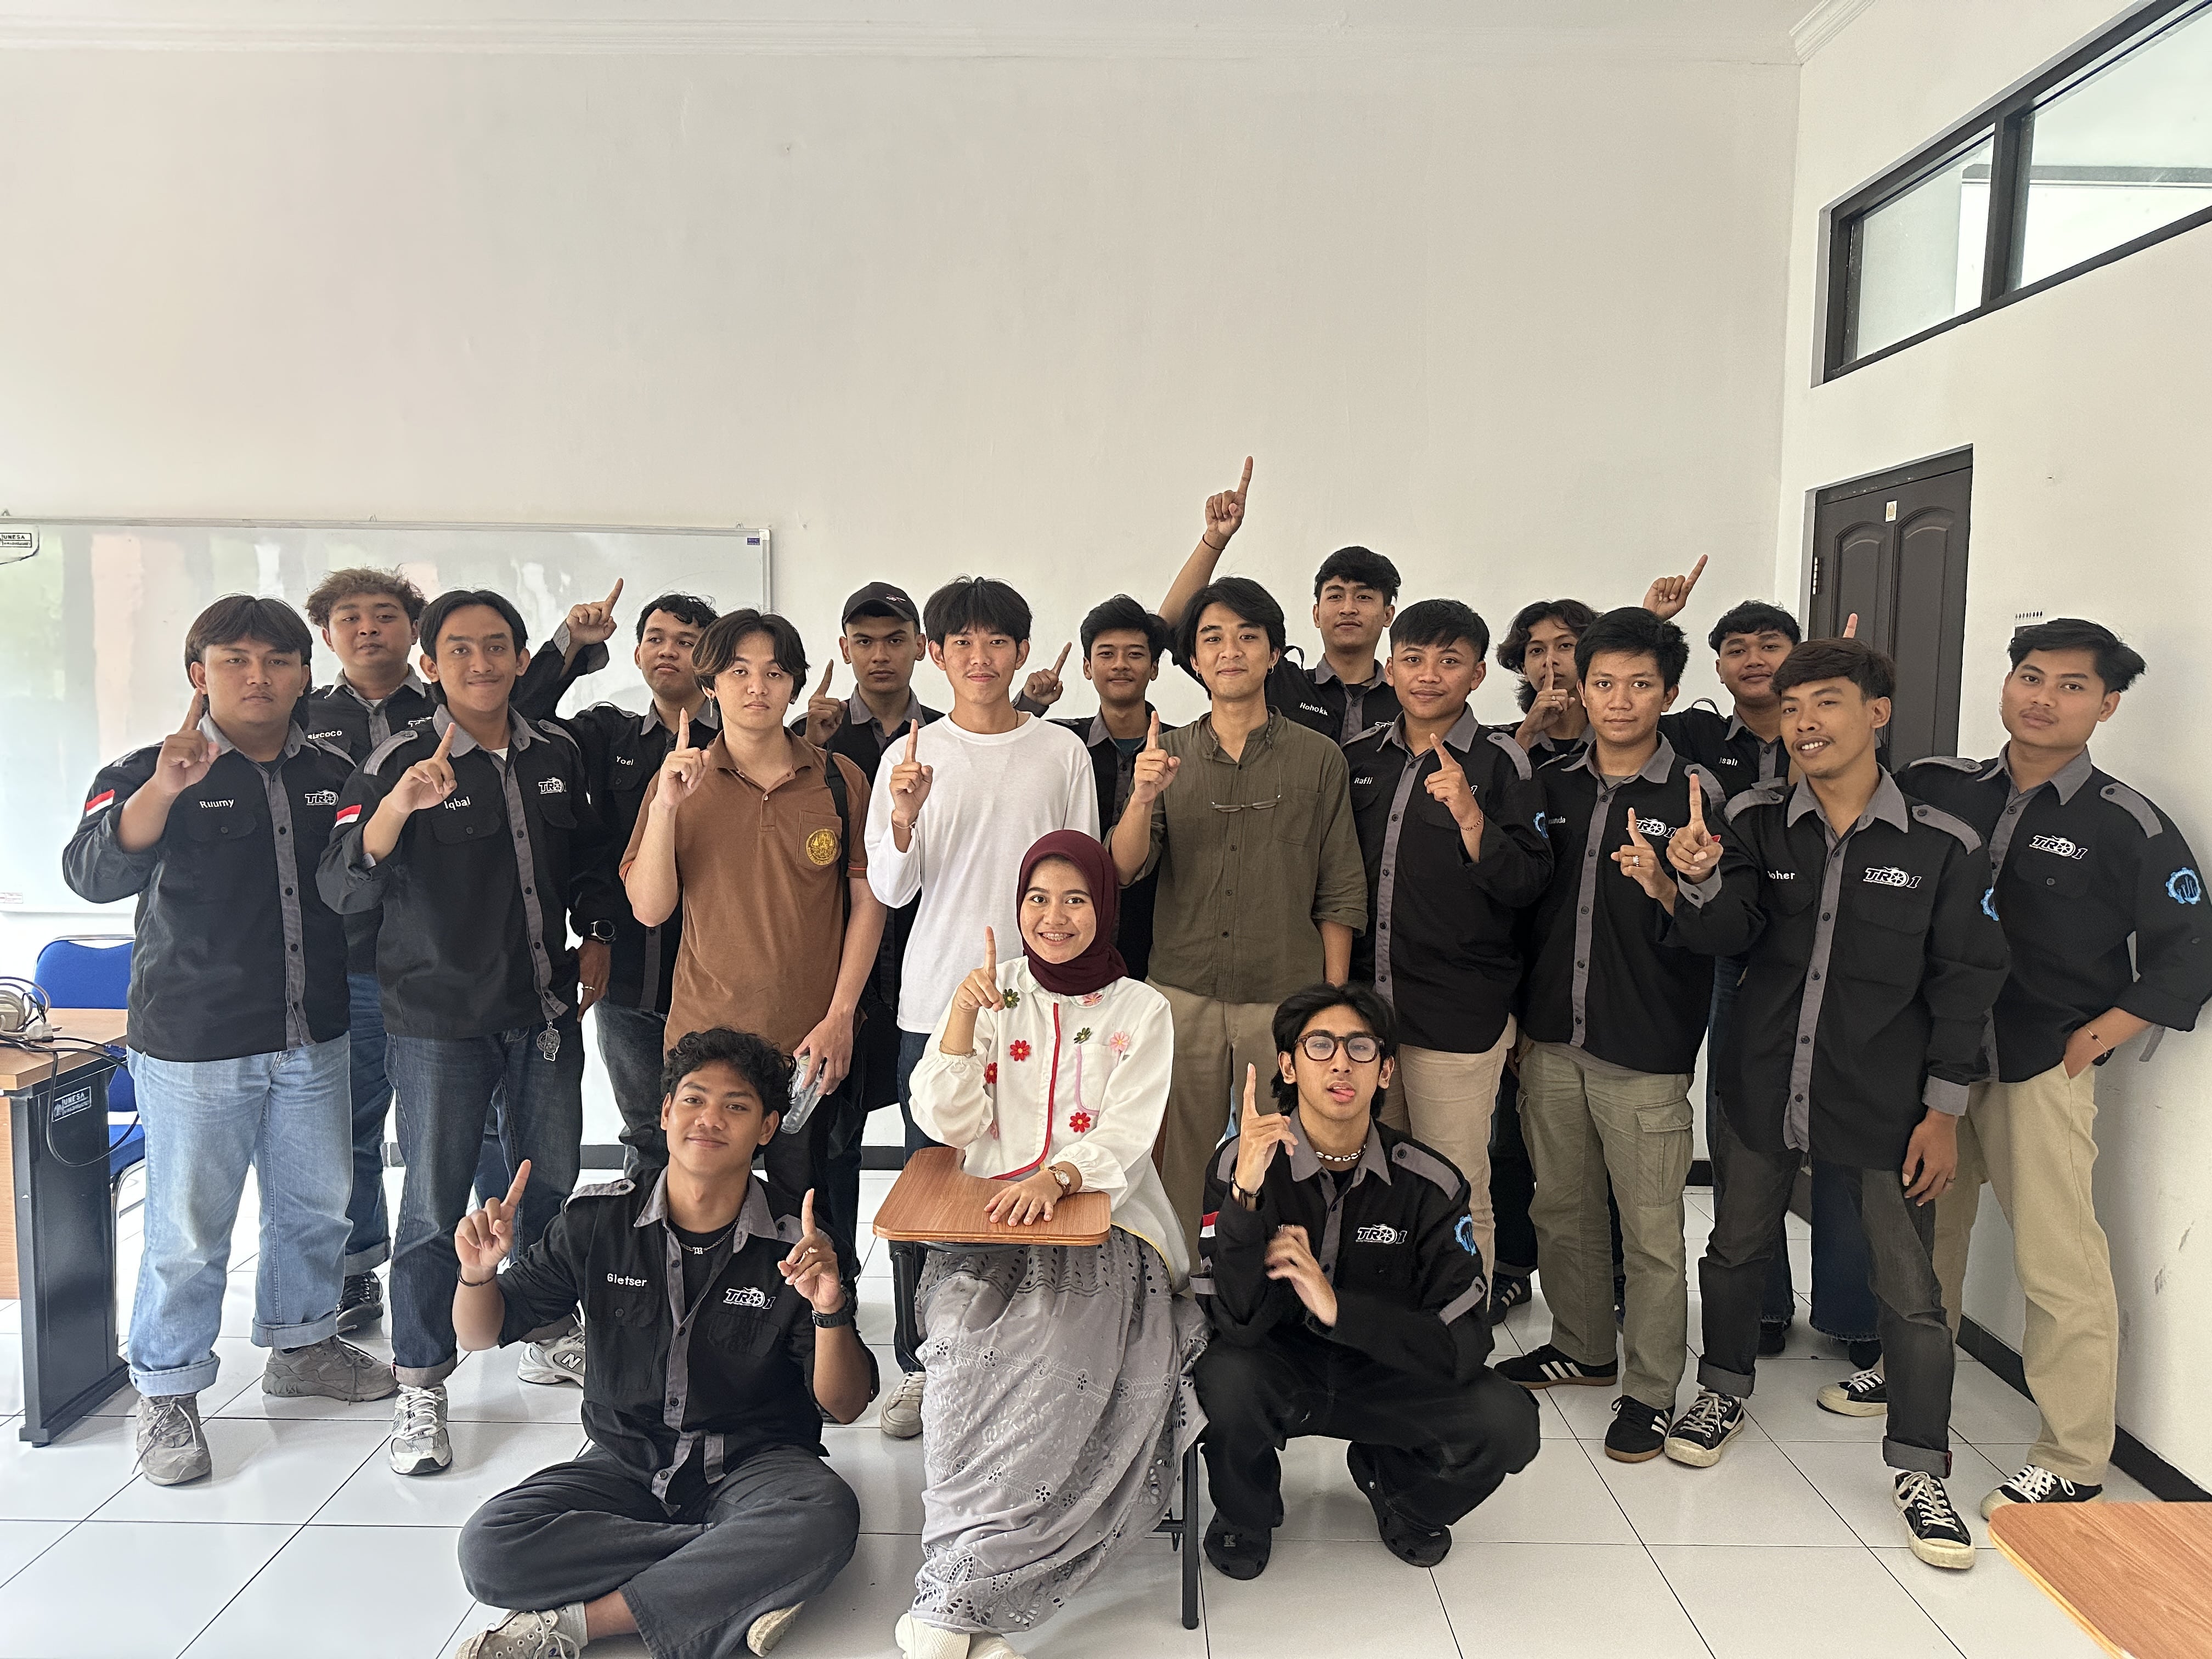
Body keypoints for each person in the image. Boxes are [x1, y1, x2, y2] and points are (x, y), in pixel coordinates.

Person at [1662, 637, 2008, 1571]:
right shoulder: (1753, 819)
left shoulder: (1942, 842)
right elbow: (1726, 934)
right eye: (1791, 707)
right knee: (1735, 1247)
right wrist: (1698, 875)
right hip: (1763, 1078)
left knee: (1912, 1291)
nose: (1804, 723)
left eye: (1825, 702)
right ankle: (1722, 1388)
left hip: (1886, 1096)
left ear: (1876, 714)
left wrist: (1943, 1110)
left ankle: (1920, 1465)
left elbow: (1967, 981)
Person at [65, 596, 394, 1486]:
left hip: (313, 1028)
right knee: (188, 1227)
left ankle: (302, 1346)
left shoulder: (332, 769)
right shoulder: (144, 768)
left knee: (317, 1206)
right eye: (235, 659)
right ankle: (168, 1388)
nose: (259, 676)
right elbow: (91, 872)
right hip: (196, 1041)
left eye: (278, 660)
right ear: (197, 673)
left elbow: (358, 882)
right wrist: (165, 788)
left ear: (304, 673)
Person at [1906, 619, 2212, 1514]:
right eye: (2031, 676)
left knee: (2056, 1260)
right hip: (1936, 1056)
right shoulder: (1939, 786)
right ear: (2007, 684)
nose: (2043, 698)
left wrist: (2101, 1032)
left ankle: (2073, 1456)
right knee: (1926, 1236)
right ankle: (1911, 1381)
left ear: (2106, 705)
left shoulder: (2126, 822)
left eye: (2071, 686)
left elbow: (2190, 947)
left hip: (2040, 1061)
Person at [449, 1028, 872, 1659]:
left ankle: (583, 1623)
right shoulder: (596, 1221)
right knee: (490, 1548)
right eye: (694, 1100)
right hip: (624, 1461)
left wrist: (830, 1309)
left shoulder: (798, 1244)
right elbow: (479, 1332)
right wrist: (477, 1273)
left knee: (824, 1513)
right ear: (667, 1112)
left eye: (736, 1106)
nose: (710, 1119)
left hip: (753, 1465)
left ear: (767, 1128)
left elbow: (846, 1404)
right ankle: (742, 1571)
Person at [319, 587, 618, 1477]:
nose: (481, 663)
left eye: (496, 647)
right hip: (439, 1023)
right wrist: (399, 807)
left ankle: (541, 1325)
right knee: (433, 1203)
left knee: (547, 1180)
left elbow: (589, 859)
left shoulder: (555, 749)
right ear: (430, 665)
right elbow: (342, 884)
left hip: (543, 1009)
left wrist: (599, 930)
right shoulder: (398, 758)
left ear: (523, 659)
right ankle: (421, 1379)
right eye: (460, 649)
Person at [896, 832, 1204, 1659]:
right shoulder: (993, 992)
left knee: (1059, 1350)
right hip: (986, 1224)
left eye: (1075, 899)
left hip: (1108, 1223)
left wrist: (1060, 1177)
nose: (1054, 917)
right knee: (959, 1350)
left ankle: (959, 1598)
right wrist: (961, 1020)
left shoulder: (1141, 1009)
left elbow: (1129, 1133)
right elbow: (949, 1124)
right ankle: (973, 1597)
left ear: (1104, 906)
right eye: (1038, 898)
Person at [1193, 983, 1540, 1578]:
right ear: (1288, 1066)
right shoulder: (1240, 1166)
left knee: (1507, 1422)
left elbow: (1465, 1345)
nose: (1340, 1063)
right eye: (1320, 1046)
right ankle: (1246, 1512)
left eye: (1360, 1048)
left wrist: (1338, 1309)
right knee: (1225, 1379)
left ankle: (1400, 1491)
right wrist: (1246, 1197)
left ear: (1384, 1072)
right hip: (1280, 1367)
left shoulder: (1431, 1184)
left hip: (1387, 1368)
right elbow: (1233, 1321)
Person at [863, 576, 1098, 1436]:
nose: (979, 656)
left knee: (1034, 1181)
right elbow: (891, 888)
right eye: (960, 642)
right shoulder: (912, 754)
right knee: (931, 1191)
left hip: (1042, 1006)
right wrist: (903, 816)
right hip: (938, 1004)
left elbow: (1085, 878)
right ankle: (922, 1365)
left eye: (996, 640)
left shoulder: (1060, 752)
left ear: (1022, 651)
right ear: (935, 654)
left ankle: (1029, 1359)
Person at [1496, 607, 1722, 1465]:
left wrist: (1674, 884)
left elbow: (1726, 927)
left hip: (1645, 1047)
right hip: (1553, 1038)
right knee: (1561, 1207)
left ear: (1670, 693)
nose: (1620, 700)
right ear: (1580, 691)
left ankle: (1652, 1390)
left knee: (1651, 1229)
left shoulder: (1696, 796)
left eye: (1640, 684)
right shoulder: (1550, 784)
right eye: (1604, 684)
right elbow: (1522, 908)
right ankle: (1584, 1349)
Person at [624, 608, 886, 1284]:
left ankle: (823, 1332)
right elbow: (650, 908)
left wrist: (841, 1016)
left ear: (794, 684)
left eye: (773, 673)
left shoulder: (839, 779)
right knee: (702, 1209)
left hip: (809, 1047)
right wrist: (666, 808)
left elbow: (868, 903)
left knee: (813, 1213)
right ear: (711, 683)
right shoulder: (680, 781)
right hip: (705, 1042)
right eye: (738, 671)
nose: (756, 687)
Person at [1113, 574, 1368, 1258]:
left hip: (1284, 996)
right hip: (1183, 993)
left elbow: (1341, 886)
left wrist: (1331, 1003)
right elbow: (1124, 868)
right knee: (1178, 1154)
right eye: (1213, 638)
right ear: (1195, 660)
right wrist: (1142, 797)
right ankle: (1177, 1280)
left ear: (1274, 653)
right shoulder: (1165, 755)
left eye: (1248, 637)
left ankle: (1277, 1281)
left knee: (1286, 1152)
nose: (1231, 651)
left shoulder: (1318, 758)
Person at [1344, 598, 1551, 1277]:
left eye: (1449, 661)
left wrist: (1471, 819)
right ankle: (1391, 1320)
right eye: (1413, 659)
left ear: (1478, 675)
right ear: (1390, 669)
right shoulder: (1357, 758)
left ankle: (1462, 1328)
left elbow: (1529, 882)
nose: (1429, 675)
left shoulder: (1502, 763)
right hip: (1367, 1015)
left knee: (1456, 1187)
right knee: (1374, 1185)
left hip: (1458, 1016)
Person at [796, 582, 945, 1306]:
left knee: (934, 1150)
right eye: (864, 641)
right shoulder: (815, 743)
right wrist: (808, 738)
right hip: (840, 984)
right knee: (830, 1147)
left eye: (894, 640)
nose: (879, 655)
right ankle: (836, 1293)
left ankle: (930, 1301)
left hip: (929, 978)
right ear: (844, 648)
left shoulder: (948, 738)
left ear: (921, 647)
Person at [561, 592, 721, 1172]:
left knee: (716, 1137)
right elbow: (521, 720)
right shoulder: (609, 735)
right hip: (627, 977)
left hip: (714, 981)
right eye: (656, 638)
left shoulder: (737, 743)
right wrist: (571, 647)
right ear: (636, 654)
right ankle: (647, 1235)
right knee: (646, 1135)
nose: (668, 651)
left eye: (686, 641)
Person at [1155, 457, 1403, 743]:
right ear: (1316, 613)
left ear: (1388, 614)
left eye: (1364, 597)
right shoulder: (1273, 679)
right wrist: (1215, 538)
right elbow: (1171, 627)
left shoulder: (1409, 697)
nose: (1348, 608)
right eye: (1335, 596)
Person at [1011, 594, 1179, 979]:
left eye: (1135, 654)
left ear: (1154, 668)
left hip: (1158, 944)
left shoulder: (1180, 749)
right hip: (1064, 939)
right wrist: (1030, 705)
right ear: (1087, 668)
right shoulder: (1061, 743)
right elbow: (1002, 755)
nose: (1120, 664)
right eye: (1106, 654)